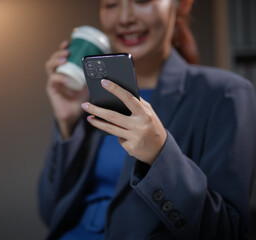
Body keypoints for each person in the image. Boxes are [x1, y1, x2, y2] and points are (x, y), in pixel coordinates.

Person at [38, 0, 256, 239]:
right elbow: (51, 213)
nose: (124, 18)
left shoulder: (225, 94)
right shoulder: (92, 96)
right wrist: (67, 123)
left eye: (142, 1)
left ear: (181, 5)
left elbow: (230, 231)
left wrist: (160, 154)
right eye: (111, 4)